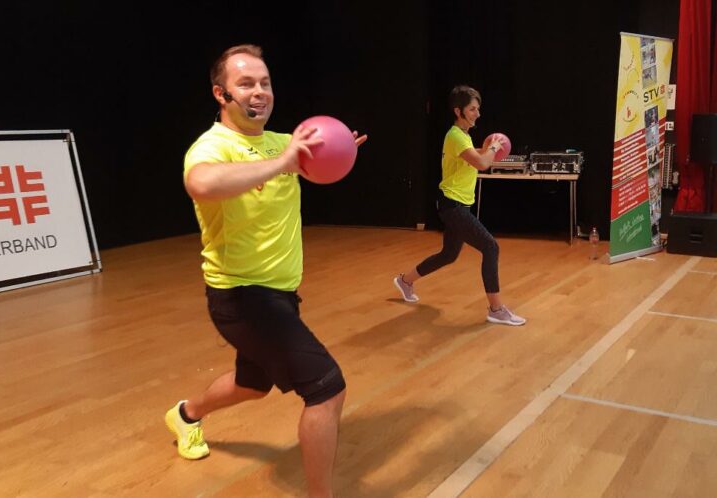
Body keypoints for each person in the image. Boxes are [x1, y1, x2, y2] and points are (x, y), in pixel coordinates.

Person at [165, 44, 366, 498]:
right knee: (326, 389)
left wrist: (337, 152)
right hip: (240, 297)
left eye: (265, 83)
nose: (259, 92)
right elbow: (200, 184)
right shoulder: (213, 146)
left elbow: (312, 162)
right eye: (246, 83)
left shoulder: (282, 142)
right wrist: (283, 162)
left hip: (280, 294)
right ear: (221, 94)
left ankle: (186, 414)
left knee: (251, 384)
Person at [393, 85, 525, 326]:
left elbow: (474, 155)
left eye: (478, 109)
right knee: (490, 247)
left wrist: (486, 149)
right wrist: (493, 149)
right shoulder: (454, 135)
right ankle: (496, 309)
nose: (477, 113)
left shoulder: (463, 137)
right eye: (472, 109)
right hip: (452, 205)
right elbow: (482, 164)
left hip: (458, 205)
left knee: (449, 255)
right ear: (458, 111)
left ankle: (405, 281)